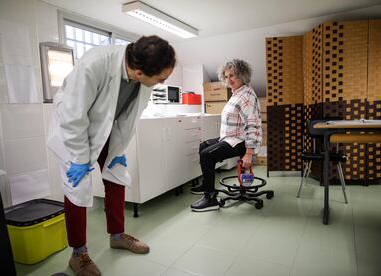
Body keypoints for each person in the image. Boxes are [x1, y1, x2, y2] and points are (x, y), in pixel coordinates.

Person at [47, 35, 175, 276]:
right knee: (77, 186)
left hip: (104, 129)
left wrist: (117, 149)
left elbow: (126, 118)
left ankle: (117, 236)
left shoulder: (143, 79)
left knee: (115, 175)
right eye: (161, 79)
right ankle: (78, 254)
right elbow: (73, 117)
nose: (161, 83)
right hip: (72, 130)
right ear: (139, 72)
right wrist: (80, 158)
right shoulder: (95, 63)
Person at [190, 59, 262, 212]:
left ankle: (211, 198)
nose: (229, 80)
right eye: (226, 76)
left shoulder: (246, 97)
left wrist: (249, 153)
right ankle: (206, 185)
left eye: (233, 76)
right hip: (230, 137)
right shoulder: (237, 93)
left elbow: (253, 125)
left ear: (242, 75)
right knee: (204, 146)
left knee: (207, 155)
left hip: (241, 141)